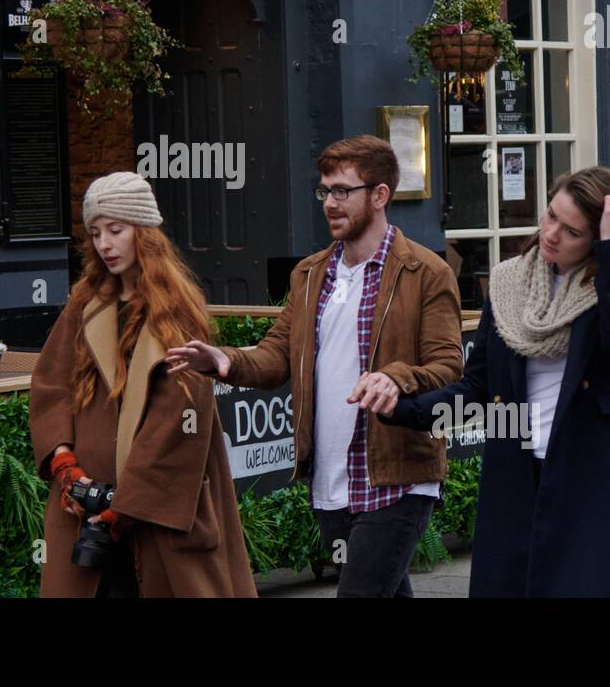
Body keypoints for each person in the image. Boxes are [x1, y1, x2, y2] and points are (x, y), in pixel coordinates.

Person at [168, 135, 463, 597]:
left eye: (343, 190)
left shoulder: (425, 272)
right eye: (325, 190)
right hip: (329, 478)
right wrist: (226, 360)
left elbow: (448, 363)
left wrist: (394, 377)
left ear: (380, 195)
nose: (330, 202)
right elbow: (277, 354)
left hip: (397, 475)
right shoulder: (310, 274)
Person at [380, 166, 610, 597]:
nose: (552, 234)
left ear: (597, 243)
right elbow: (478, 388)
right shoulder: (508, 285)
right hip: (518, 472)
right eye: (550, 216)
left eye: (572, 231)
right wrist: (403, 406)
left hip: (598, 474)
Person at [30, 171, 256, 597]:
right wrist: (65, 465)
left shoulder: (177, 312)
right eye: (96, 232)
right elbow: (51, 384)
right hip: (82, 509)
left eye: (116, 230)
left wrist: (125, 506)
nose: (104, 244)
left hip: (160, 515)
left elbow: (180, 421)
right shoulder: (85, 304)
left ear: (144, 234)